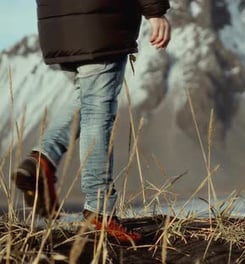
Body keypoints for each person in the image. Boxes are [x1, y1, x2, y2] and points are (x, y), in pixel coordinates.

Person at [12, 0, 171, 242]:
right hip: (101, 20)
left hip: (58, 25)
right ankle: (100, 209)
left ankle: (42, 161)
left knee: (89, 98)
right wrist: (155, 10)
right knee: (98, 110)